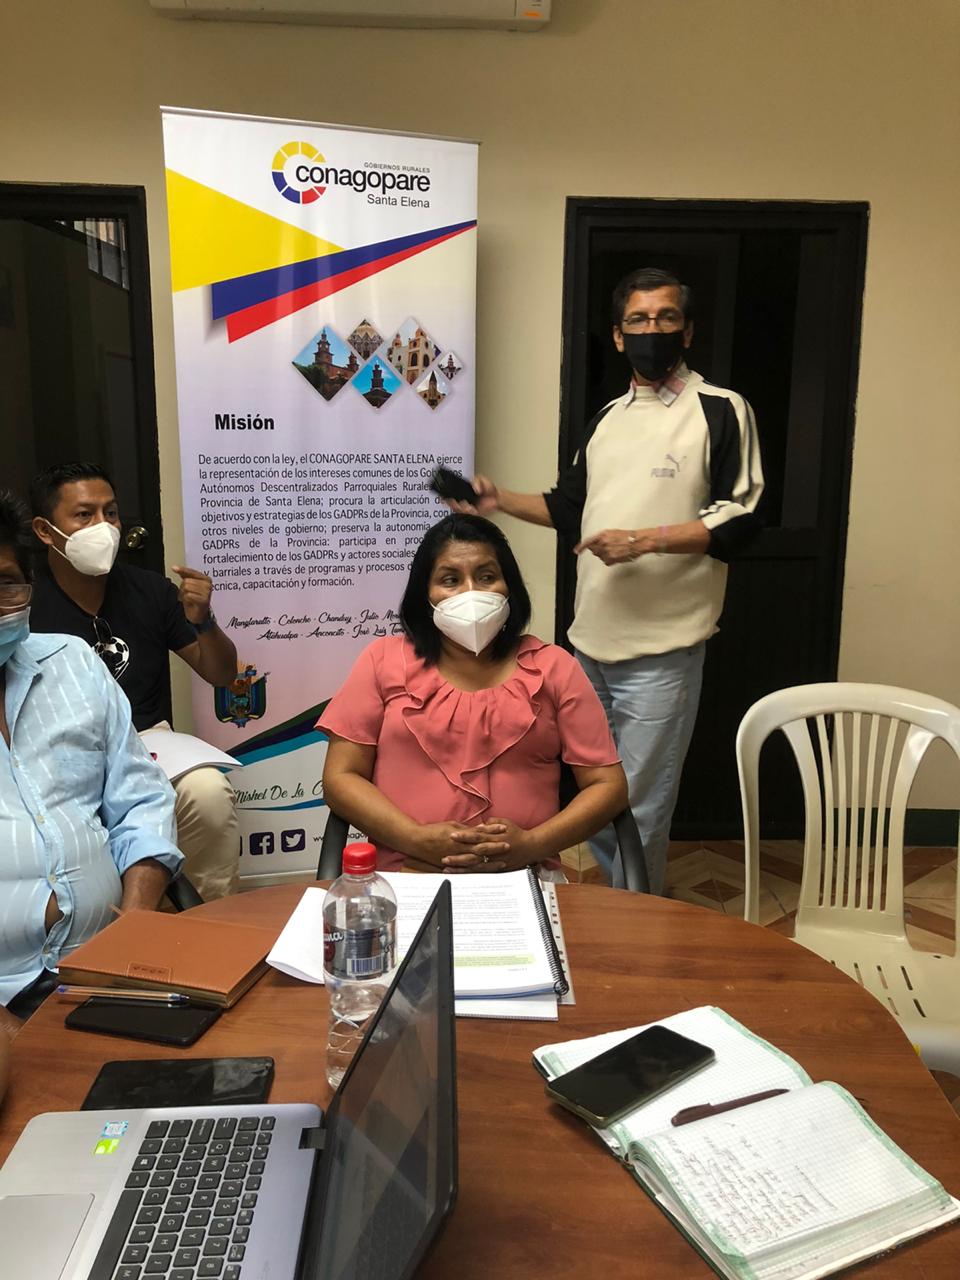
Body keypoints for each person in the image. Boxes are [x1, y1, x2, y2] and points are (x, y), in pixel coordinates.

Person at [446, 268, 764, 894]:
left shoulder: (721, 410)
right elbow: (570, 508)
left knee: (641, 807)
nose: (652, 330)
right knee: (590, 793)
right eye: (638, 320)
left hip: (663, 651)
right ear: (618, 336)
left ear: (687, 331)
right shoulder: (606, 419)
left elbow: (744, 516)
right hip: (588, 647)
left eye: (665, 318)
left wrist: (644, 540)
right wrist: (497, 500)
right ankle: (619, 905)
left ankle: (635, 921)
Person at [320, 514, 628, 875]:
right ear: (425, 594)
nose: (471, 593)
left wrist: (532, 845)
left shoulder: (554, 667)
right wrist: (415, 839)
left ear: (509, 586)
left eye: (486, 576)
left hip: (526, 874)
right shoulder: (382, 660)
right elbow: (341, 777)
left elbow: (608, 785)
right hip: (403, 874)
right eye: (450, 580)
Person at [0, 490, 182, 1032]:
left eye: (6, 583)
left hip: (107, 968)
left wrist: (136, 920)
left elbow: (141, 799)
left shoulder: (74, 663)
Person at [28, 462, 240, 901]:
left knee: (208, 793)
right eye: (84, 515)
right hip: (61, 750)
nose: (103, 526)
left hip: (148, 744)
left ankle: (209, 918)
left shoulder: (151, 590)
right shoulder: (25, 601)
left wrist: (203, 621)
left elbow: (221, 673)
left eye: (111, 513)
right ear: (46, 531)